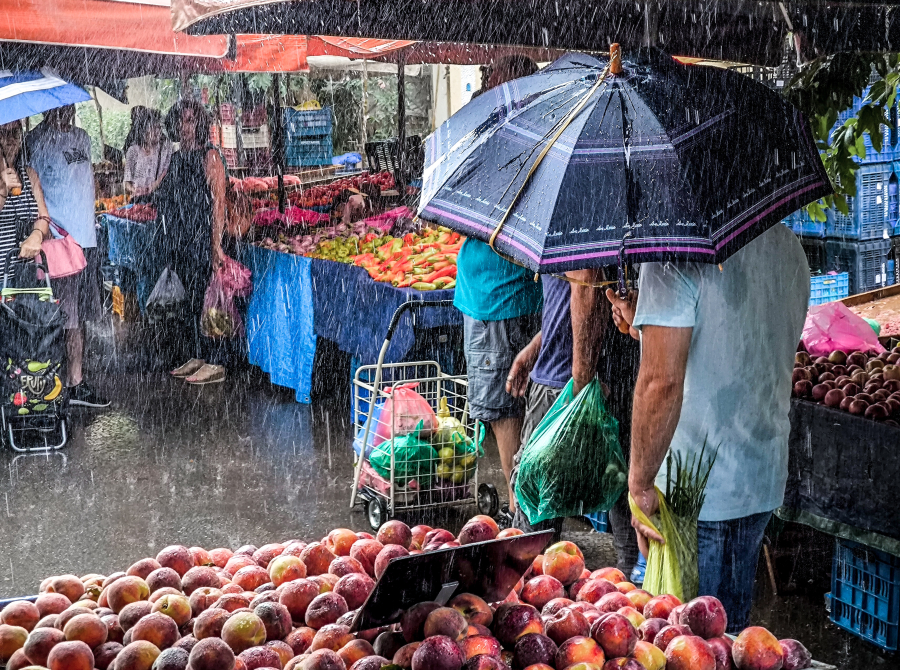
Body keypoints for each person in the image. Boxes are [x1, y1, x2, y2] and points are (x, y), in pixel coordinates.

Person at [606, 224, 811, 632]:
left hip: (696, 491)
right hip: (761, 473)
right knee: (728, 635)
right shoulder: (789, 247)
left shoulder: (671, 252)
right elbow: (740, 338)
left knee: (688, 641)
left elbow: (660, 382)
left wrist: (640, 484)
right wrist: (641, 323)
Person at [455, 54, 543, 521]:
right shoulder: (528, 136)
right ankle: (527, 502)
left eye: (494, 81)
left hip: (497, 295)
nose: (487, 87)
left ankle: (520, 509)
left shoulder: (505, 141)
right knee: (521, 400)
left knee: (505, 406)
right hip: (510, 292)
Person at [506, 269, 641, 570]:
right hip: (597, 373)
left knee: (536, 509)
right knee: (621, 488)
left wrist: (581, 382)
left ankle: (529, 600)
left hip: (567, 383)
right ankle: (627, 594)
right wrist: (535, 348)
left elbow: (586, 283)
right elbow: (575, 294)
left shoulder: (577, 224)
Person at [26, 105, 109, 408]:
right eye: (59, 106)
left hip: (86, 237)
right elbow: (32, 190)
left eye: (69, 104)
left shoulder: (84, 138)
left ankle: (74, 379)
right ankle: (67, 382)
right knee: (65, 315)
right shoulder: (36, 140)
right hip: (59, 241)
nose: (65, 110)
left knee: (82, 314)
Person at [156, 99, 229, 385]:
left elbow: (218, 202)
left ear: (200, 124)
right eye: (180, 121)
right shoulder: (176, 157)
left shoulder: (209, 156)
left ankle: (218, 359)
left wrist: (216, 244)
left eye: (190, 120)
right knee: (193, 301)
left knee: (213, 299)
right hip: (182, 240)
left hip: (204, 238)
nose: (185, 127)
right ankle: (199, 355)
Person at [0, 119, 52, 274]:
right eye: (4, 133)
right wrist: (2, 189)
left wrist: (36, 235)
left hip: (26, 272)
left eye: (15, 133)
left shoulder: (29, 174)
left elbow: (43, 216)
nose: (11, 139)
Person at [124, 108, 171, 201]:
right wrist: (134, 189)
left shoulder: (165, 149)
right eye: (154, 128)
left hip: (157, 199)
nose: (158, 131)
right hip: (137, 200)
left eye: (159, 127)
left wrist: (153, 186)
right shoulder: (133, 151)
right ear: (144, 130)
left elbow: (166, 171)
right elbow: (126, 182)